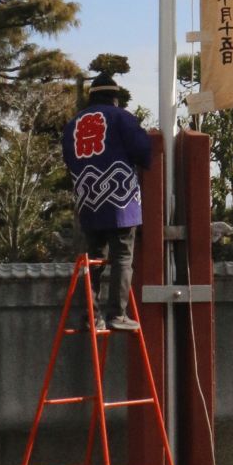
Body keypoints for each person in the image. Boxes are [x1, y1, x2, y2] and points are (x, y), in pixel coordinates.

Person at [60, 71, 153, 333]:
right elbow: (143, 150)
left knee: (93, 258)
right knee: (123, 254)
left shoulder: (73, 124)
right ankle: (117, 314)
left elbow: (68, 159)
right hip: (120, 197)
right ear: (114, 98)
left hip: (88, 198)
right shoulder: (121, 117)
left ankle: (91, 316)